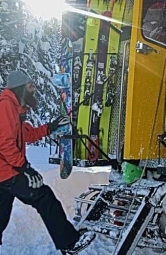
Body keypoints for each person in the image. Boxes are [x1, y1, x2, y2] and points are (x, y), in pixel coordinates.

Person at [0, 71, 95, 254]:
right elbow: (4, 143)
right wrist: (25, 168)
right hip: (7, 171)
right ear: (20, 88)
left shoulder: (14, 108)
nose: (34, 90)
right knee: (44, 197)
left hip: (5, 173)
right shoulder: (6, 106)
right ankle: (69, 243)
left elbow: (26, 135)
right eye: (30, 86)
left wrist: (50, 126)